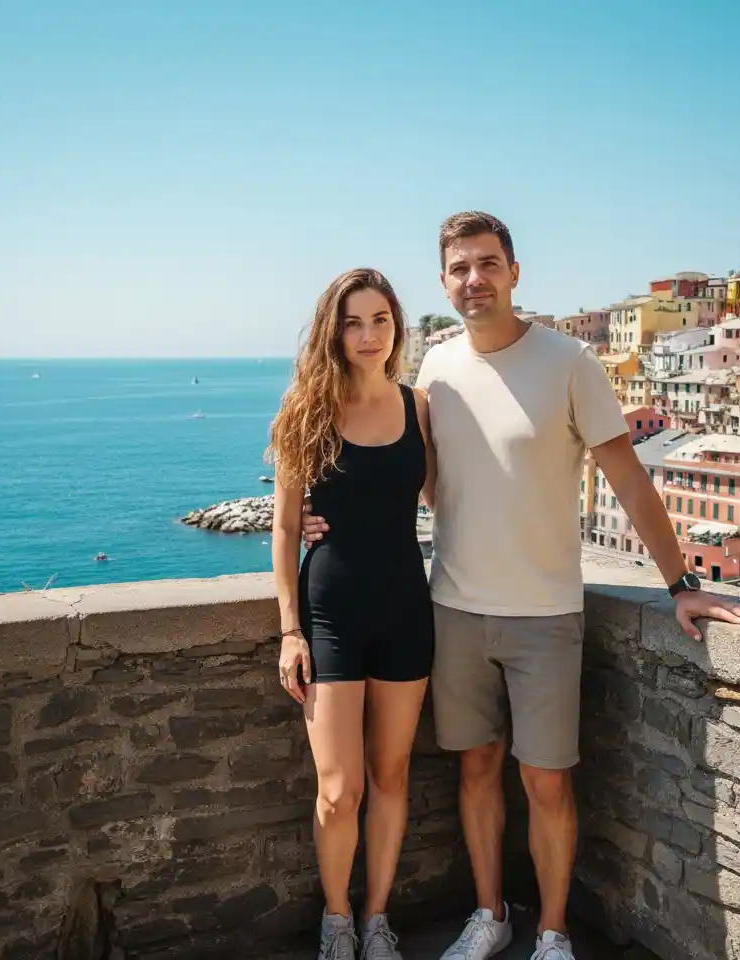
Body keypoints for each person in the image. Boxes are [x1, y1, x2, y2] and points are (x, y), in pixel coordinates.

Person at [301, 212, 740, 960]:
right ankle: (491, 916)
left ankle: (552, 934)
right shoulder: (435, 372)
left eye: (487, 264)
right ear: (444, 283)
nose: (473, 279)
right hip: (450, 609)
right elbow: (410, 475)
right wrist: (324, 513)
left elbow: (630, 479)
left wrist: (680, 583)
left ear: (515, 272)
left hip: (545, 612)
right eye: (459, 269)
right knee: (476, 772)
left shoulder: (570, 361)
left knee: (547, 782)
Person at [269, 268, 436, 960]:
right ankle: (336, 920)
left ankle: (376, 919)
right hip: (330, 613)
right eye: (353, 322)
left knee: (392, 776)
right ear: (332, 331)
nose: (368, 336)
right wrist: (288, 630)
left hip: (406, 609)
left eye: (381, 321)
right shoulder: (306, 410)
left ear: (398, 328)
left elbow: (446, 497)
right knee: (340, 791)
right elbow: (282, 529)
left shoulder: (420, 406)